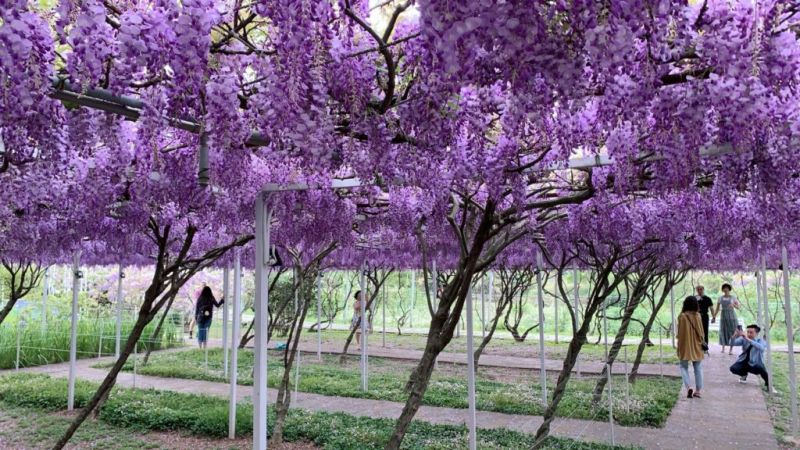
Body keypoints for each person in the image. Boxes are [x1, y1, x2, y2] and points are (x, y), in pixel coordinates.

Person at [730, 324, 776, 393]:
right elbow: (731, 343)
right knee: (733, 368)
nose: (749, 334)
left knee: (762, 369)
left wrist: (748, 339)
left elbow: (761, 348)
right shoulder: (743, 338)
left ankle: (769, 386)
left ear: (757, 333)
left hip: (755, 363)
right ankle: (744, 375)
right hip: (744, 361)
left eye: (751, 332)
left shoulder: (761, 340)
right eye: (747, 332)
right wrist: (735, 335)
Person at [677, 296, 705, 398]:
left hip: (685, 345)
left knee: (683, 367)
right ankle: (698, 391)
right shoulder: (698, 316)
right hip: (697, 344)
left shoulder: (682, 316)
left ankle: (689, 387)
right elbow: (702, 332)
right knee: (698, 367)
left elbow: (679, 334)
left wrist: (678, 345)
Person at [712, 283, 740, 355]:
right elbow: (717, 308)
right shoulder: (720, 298)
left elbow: (738, 307)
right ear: (722, 289)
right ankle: (723, 348)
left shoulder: (733, 297)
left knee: (732, 331)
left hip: (731, 315)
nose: (725, 289)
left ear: (729, 289)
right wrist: (714, 316)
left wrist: (733, 305)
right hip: (723, 315)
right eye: (724, 288)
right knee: (723, 330)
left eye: (727, 288)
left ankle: (731, 349)